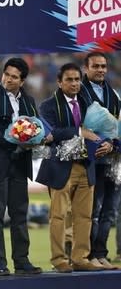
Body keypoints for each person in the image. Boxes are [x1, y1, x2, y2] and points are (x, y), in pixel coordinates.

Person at [0, 57, 42, 276]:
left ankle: (22, 261)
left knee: (20, 213)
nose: (8, 80)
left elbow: (35, 126)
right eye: (6, 74)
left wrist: (36, 137)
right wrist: (12, 139)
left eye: (14, 77)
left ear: (22, 81)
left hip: (19, 163)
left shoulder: (30, 102)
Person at [36, 63, 103, 273]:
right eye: (69, 80)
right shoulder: (47, 106)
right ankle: (58, 259)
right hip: (61, 167)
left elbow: (100, 129)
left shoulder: (88, 103)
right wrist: (79, 131)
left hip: (86, 166)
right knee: (58, 215)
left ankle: (81, 258)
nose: (74, 84)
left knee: (84, 216)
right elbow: (51, 133)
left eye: (77, 80)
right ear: (59, 82)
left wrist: (108, 141)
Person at [80, 52, 119, 270]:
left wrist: (112, 143)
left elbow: (117, 125)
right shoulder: (80, 91)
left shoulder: (112, 93)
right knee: (93, 210)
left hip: (113, 158)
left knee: (110, 210)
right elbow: (78, 125)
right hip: (91, 158)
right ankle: (90, 254)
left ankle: (102, 253)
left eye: (103, 66)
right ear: (86, 68)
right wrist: (98, 143)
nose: (101, 69)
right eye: (96, 66)